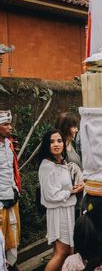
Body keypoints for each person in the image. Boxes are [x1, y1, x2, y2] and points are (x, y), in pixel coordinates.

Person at [38, 129, 84, 271]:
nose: (56, 144)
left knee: (67, 251)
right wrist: (72, 191)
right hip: (58, 212)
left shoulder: (60, 161)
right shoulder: (47, 166)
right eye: (52, 142)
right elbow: (50, 194)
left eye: (59, 141)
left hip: (67, 209)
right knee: (62, 252)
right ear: (46, 145)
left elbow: (63, 185)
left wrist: (75, 186)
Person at [0, 110, 21, 270]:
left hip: (12, 198)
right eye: (5, 124)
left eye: (9, 124)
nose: (10, 127)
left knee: (12, 239)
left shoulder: (9, 143)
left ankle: (12, 265)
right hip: (0, 202)